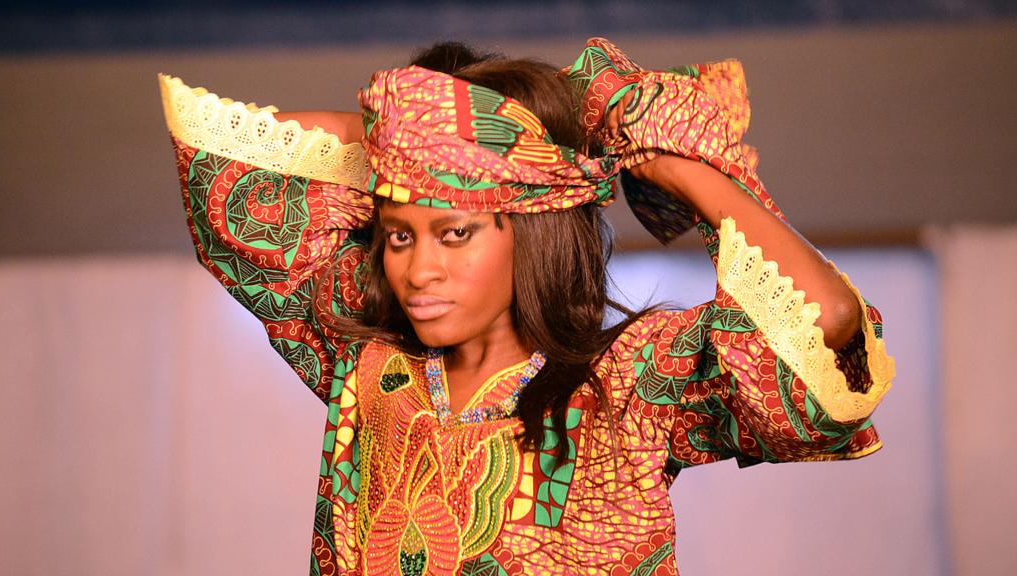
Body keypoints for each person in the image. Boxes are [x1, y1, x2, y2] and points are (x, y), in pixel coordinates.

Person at [160, 38, 893, 576]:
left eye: (455, 233)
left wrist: (672, 164)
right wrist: (406, 128)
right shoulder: (366, 364)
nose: (420, 270)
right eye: (397, 237)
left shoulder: (628, 385)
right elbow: (226, 179)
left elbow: (822, 330)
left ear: (532, 231)